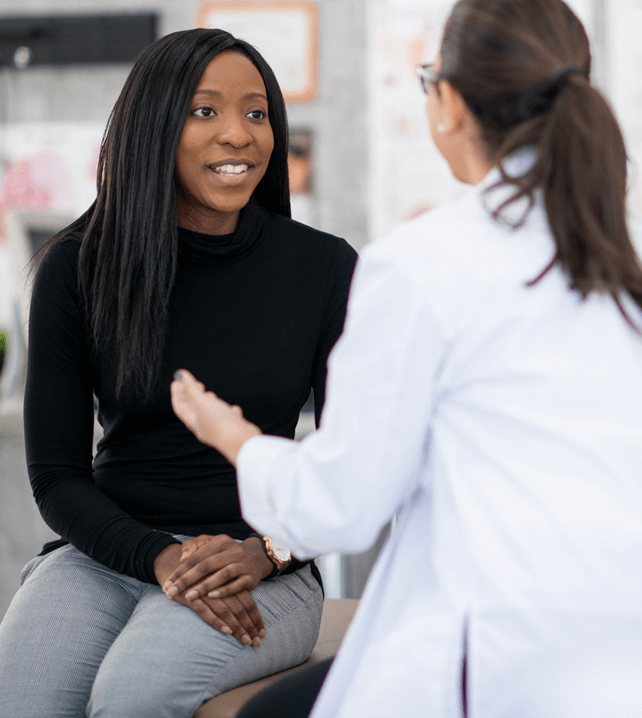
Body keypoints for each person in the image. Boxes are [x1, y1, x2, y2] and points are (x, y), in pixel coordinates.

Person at [169, 1, 642, 716]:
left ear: (447, 101)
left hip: (494, 664)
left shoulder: (422, 264)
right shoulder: (621, 258)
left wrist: (229, 435)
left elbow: (343, 507)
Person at [0, 28, 357, 718]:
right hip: (106, 553)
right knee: (21, 697)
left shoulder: (324, 268)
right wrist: (160, 558)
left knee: (134, 694)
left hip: (263, 567)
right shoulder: (75, 267)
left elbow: (354, 462)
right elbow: (57, 476)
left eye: (257, 114)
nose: (238, 135)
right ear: (153, 127)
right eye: (205, 112)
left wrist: (267, 551)